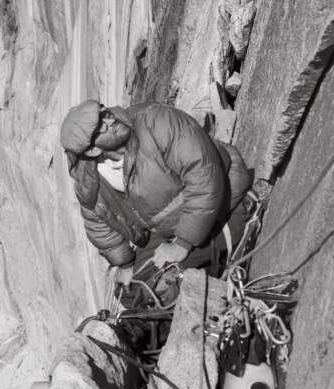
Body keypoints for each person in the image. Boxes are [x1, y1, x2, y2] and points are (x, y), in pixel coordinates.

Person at [60, 100, 252, 302]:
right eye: (100, 126)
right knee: (128, 293)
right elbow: (99, 226)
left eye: (104, 113)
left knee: (169, 280)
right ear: (92, 151)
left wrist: (182, 244)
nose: (110, 120)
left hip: (224, 197)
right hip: (169, 226)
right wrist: (125, 264)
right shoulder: (90, 182)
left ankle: (243, 224)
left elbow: (204, 176)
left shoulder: (156, 121)